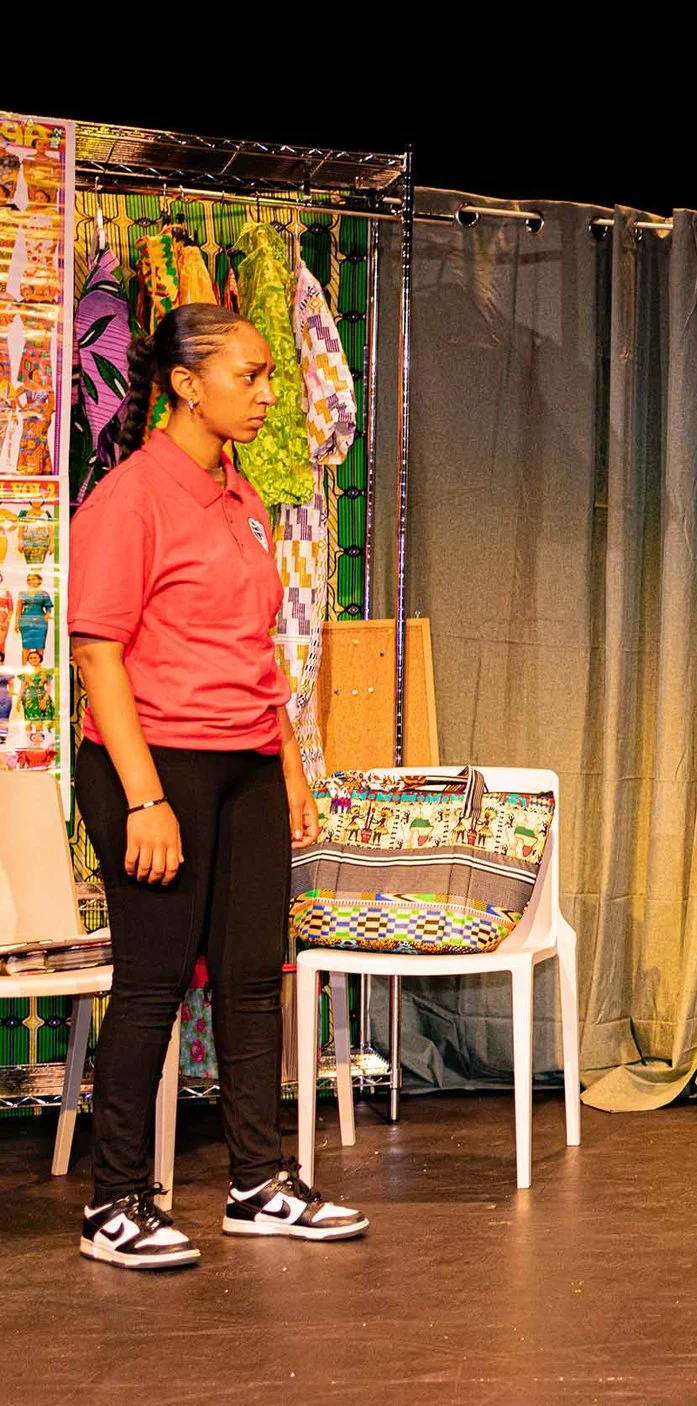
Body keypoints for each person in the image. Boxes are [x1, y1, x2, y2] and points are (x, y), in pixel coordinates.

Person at [66, 302, 368, 1269]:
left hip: (247, 764)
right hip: (156, 764)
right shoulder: (130, 498)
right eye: (251, 376)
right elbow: (97, 655)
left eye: (272, 375)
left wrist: (290, 767)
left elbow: (255, 650)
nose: (270, 394)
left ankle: (258, 1183)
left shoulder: (242, 497)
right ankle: (115, 1203)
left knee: (249, 980)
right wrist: (145, 798)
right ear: (187, 386)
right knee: (152, 982)